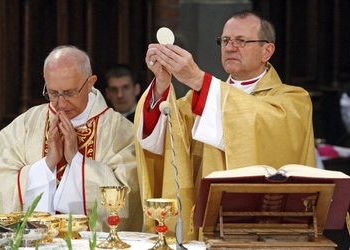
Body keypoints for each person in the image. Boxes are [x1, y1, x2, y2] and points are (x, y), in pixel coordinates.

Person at [134, 10, 316, 240]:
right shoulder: (199, 97)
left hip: (263, 232)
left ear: (267, 51)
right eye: (226, 41)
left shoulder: (292, 99)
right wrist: (161, 85)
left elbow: (257, 120)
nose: (230, 47)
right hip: (206, 225)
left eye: (241, 41)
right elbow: (163, 134)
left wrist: (199, 80)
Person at [0, 45, 142, 232]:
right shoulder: (27, 124)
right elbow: (0, 180)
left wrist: (77, 161)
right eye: (53, 93)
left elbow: (127, 194)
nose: (60, 103)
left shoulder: (118, 130)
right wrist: (46, 164)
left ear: (90, 82)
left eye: (69, 93)